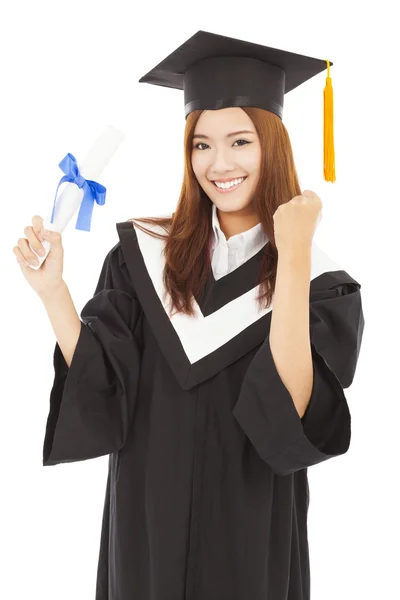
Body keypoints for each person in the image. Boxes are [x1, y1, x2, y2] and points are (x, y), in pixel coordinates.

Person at [13, 30, 365, 600]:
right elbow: (105, 391)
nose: (218, 163)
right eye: (201, 144)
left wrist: (294, 255)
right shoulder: (140, 258)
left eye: (240, 141)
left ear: (272, 144)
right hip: (145, 525)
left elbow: (294, 413)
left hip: (251, 533)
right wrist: (54, 293)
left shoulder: (324, 285)